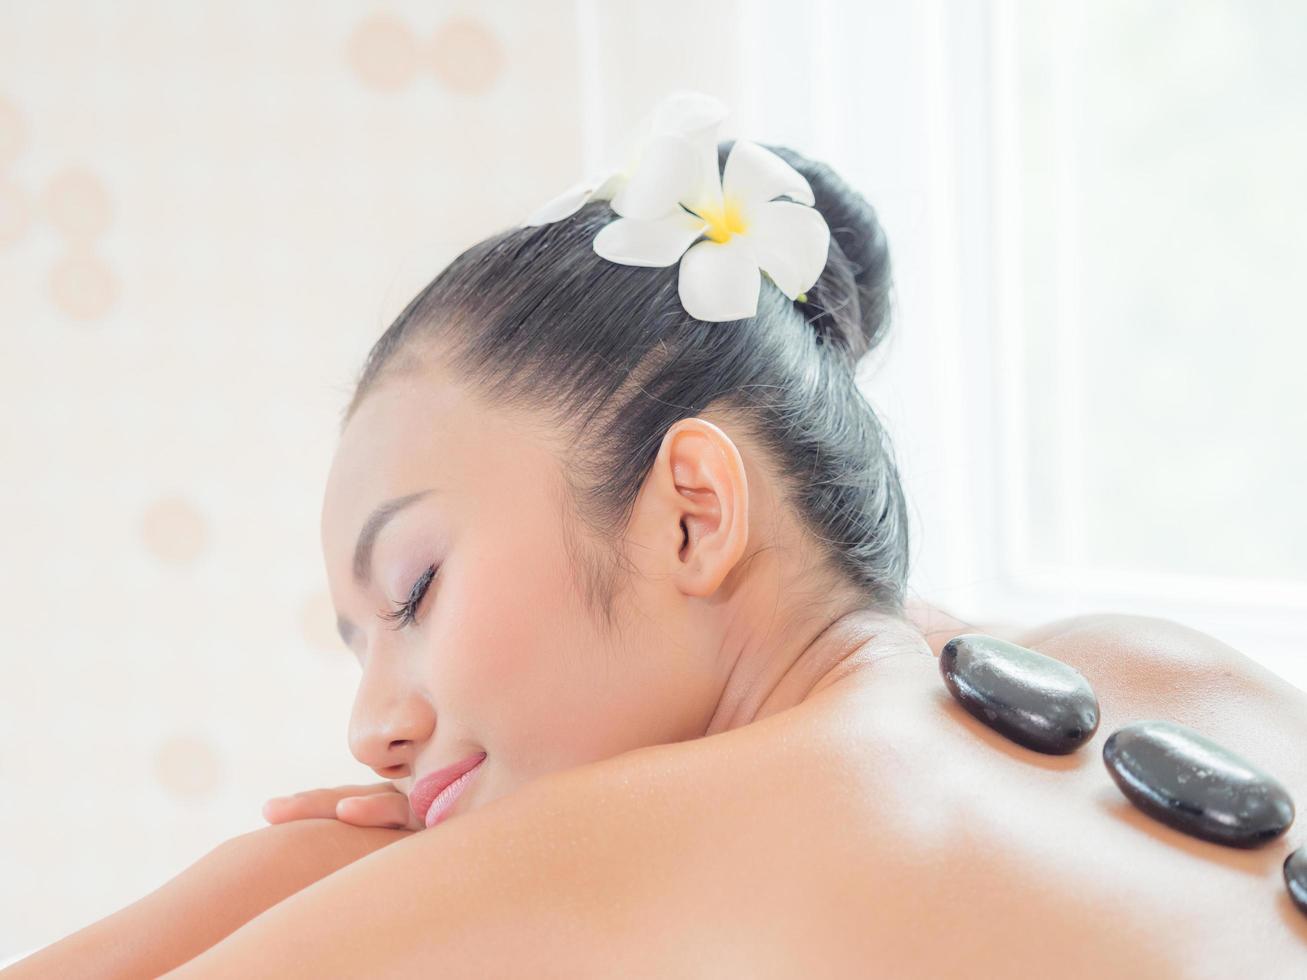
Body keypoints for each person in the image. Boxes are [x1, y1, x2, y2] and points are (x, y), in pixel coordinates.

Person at [6, 101, 1305, 977]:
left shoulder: (659, 839)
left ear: (695, 510)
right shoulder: (1164, 671)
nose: (372, 730)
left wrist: (277, 873)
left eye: (416, 588)